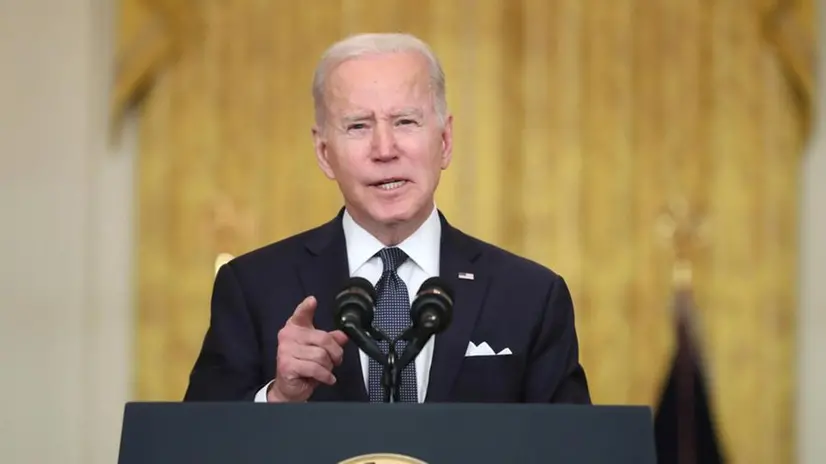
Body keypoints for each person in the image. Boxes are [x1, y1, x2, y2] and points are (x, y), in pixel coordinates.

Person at [183, 32, 591, 404]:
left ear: (444, 141)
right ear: (325, 153)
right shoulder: (253, 288)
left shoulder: (531, 295)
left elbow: (573, 449)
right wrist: (278, 399)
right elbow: (192, 447)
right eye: (358, 126)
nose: (384, 149)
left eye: (405, 122)